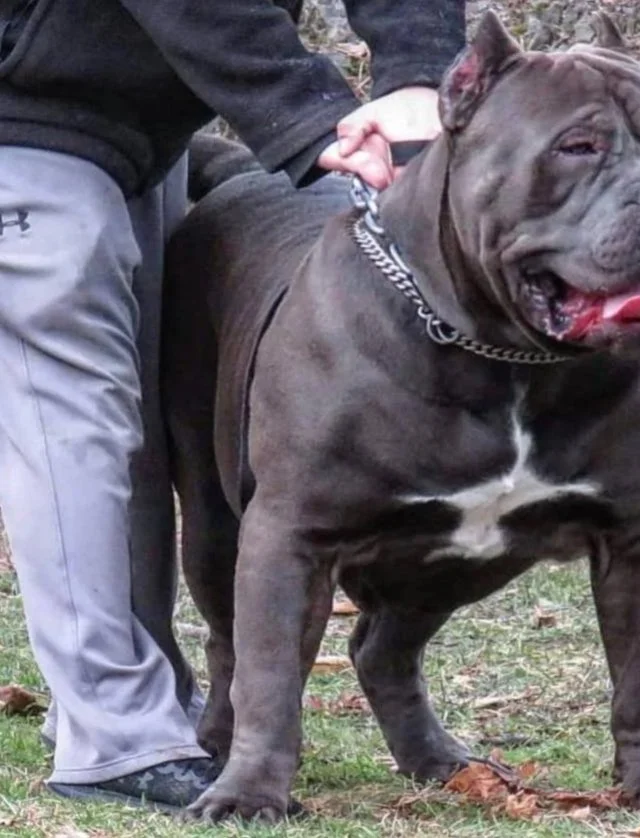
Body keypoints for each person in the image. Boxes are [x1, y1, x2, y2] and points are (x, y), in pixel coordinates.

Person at [0, 0, 465, 811]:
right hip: (25, 124)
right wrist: (312, 116)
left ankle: (129, 703)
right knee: (69, 418)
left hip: (135, 131)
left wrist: (420, 73)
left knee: (136, 424)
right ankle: (115, 738)